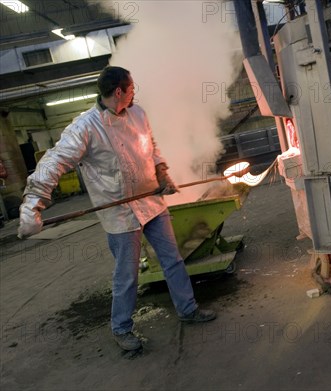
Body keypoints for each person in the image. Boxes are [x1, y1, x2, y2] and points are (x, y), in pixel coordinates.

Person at [18, 66, 216, 351]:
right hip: (119, 213)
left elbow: (151, 145)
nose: (135, 92)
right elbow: (55, 161)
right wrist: (32, 205)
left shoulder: (138, 114)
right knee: (127, 275)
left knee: (173, 260)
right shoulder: (85, 126)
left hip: (151, 201)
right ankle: (121, 328)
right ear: (119, 91)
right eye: (132, 88)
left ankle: (188, 309)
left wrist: (162, 174)